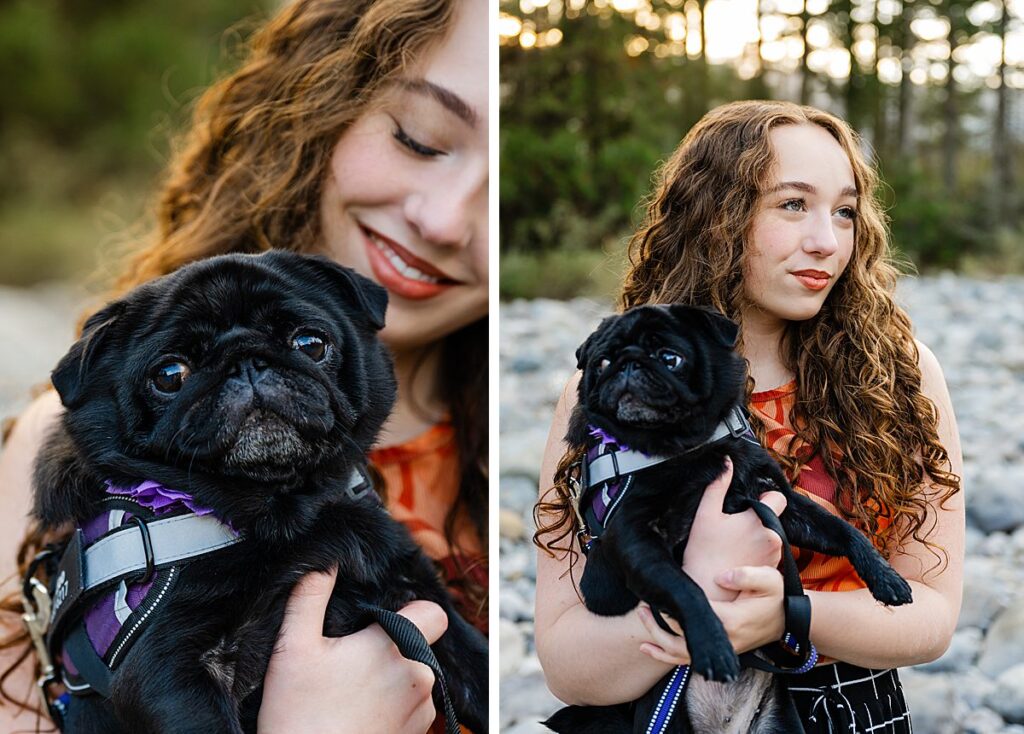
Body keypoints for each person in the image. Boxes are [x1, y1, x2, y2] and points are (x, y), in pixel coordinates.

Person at [0, 0, 487, 732]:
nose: (445, 218)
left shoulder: (507, 437)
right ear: (320, 104)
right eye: (417, 139)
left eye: (305, 346)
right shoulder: (74, 465)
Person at [533, 100, 963, 732]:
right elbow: (567, 662)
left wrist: (792, 614)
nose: (827, 241)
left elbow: (931, 617)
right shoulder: (602, 391)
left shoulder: (900, 375)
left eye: (844, 212)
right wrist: (689, 614)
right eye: (792, 205)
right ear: (716, 217)